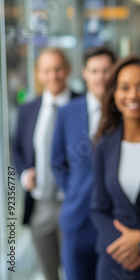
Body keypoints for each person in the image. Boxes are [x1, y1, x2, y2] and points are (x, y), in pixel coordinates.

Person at [91, 56, 140, 280]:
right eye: (124, 88)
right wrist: (122, 244)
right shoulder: (104, 143)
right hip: (115, 257)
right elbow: (98, 207)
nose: (132, 95)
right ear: (114, 93)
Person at [13, 47, 78, 280]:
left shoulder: (83, 106)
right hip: (39, 205)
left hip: (73, 204)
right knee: (48, 273)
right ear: (38, 74)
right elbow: (17, 147)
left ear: (68, 69)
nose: (53, 76)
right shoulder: (27, 110)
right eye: (47, 70)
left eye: (58, 69)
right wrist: (23, 175)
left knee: (76, 272)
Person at [51, 46, 115, 280]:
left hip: (114, 221)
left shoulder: (125, 112)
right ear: (84, 73)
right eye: (94, 71)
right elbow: (57, 162)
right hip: (77, 220)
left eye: (106, 71)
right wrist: (74, 191)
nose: (100, 77)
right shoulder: (68, 112)